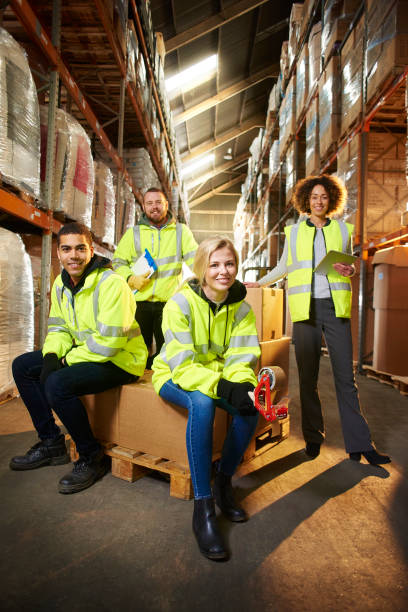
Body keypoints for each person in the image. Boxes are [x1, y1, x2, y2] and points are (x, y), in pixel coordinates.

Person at [245, 174, 390, 466]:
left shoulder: (342, 230)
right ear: (306, 200)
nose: (319, 201)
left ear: (331, 200)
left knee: (345, 380)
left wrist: (350, 271)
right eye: (314, 197)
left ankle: (360, 444)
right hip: (304, 312)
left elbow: (347, 266)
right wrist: (260, 284)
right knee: (308, 378)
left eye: (324, 197)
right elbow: (284, 266)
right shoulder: (295, 232)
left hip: (335, 310)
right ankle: (313, 437)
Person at [10, 222, 148, 494]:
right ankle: (51, 443)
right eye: (66, 249)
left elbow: (109, 344)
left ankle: (90, 456)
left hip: (121, 360)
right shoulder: (62, 284)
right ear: (59, 253)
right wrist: (51, 355)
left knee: (57, 384)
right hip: (86, 353)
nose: (73, 255)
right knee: (23, 366)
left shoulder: (111, 283)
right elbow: (59, 328)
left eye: (80, 249)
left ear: (91, 250)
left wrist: (63, 363)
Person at [152, 236, 261, 561]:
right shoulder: (179, 304)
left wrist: (241, 384)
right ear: (201, 268)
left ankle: (223, 482)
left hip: (218, 375)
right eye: (214, 264)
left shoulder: (242, 308)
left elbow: (243, 355)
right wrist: (223, 386)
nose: (223, 271)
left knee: (249, 407)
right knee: (201, 403)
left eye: (229, 264)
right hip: (174, 375)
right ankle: (203, 507)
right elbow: (182, 365)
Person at [113, 187, 198, 369]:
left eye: (158, 202)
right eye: (150, 203)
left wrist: (191, 288)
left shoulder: (181, 232)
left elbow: (197, 261)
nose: (154, 207)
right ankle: (137, 393)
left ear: (166, 205)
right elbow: (118, 262)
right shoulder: (133, 233)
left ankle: (159, 392)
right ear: (143, 207)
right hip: (139, 303)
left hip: (168, 304)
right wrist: (129, 278)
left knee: (167, 355)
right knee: (137, 354)